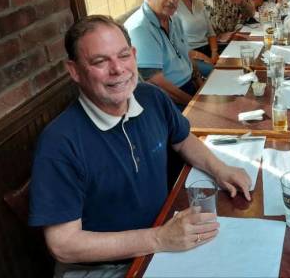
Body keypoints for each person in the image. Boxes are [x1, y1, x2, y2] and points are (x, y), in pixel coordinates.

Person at [29, 15, 251, 278]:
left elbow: (183, 140)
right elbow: (64, 245)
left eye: (124, 56)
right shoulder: (59, 142)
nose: (118, 69)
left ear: (134, 55)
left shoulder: (152, 97)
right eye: (100, 61)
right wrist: (158, 238)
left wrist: (221, 169)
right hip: (102, 267)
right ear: (74, 70)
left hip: (162, 234)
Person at [124, 0, 201, 110]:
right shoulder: (140, 27)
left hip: (189, 87)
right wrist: (196, 105)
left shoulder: (174, 18)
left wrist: (200, 84)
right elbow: (156, 83)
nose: (172, 0)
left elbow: (186, 56)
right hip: (169, 100)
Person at [171, 0, 218, 77]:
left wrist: (214, 53)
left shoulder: (197, 1)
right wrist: (202, 57)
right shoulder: (172, 6)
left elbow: (210, 32)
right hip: (189, 56)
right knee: (216, 73)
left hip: (208, 50)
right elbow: (175, 45)